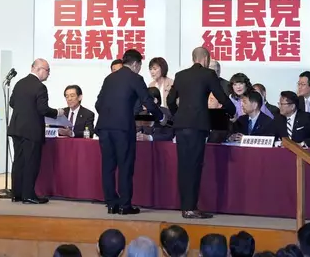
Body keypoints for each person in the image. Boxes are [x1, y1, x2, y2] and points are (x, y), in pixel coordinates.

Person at [167, 47, 235, 219]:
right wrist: (232, 110)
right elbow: (221, 96)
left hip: (181, 126)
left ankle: (185, 207)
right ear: (205, 59)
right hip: (198, 126)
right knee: (195, 166)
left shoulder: (180, 75)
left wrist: (178, 114)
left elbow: (169, 100)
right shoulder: (208, 75)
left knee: (184, 166)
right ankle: (191, 208)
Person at [95, 49, 165, 215]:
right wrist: (160, 116)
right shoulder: (136, 78)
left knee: (108, 167)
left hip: (104, 128)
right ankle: (125, 206)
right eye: (140, 66)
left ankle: (111, 204)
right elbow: (147, 101)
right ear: (135, 64)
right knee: (125, 166)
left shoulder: (109, 78)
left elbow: (98, 103)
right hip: (123, 129)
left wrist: (109, 115)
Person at [7, 58, 63, 204]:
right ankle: (28, 195)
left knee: (18, 162)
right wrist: (57, 112)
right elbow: (43, 109)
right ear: (39, 69)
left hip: (17, 128)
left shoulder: (19, 83)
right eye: (47, 70)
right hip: (31, 131)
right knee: (31, 162)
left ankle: (17, 194)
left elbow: (12, 102)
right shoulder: (40, 87)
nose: (48, 74)